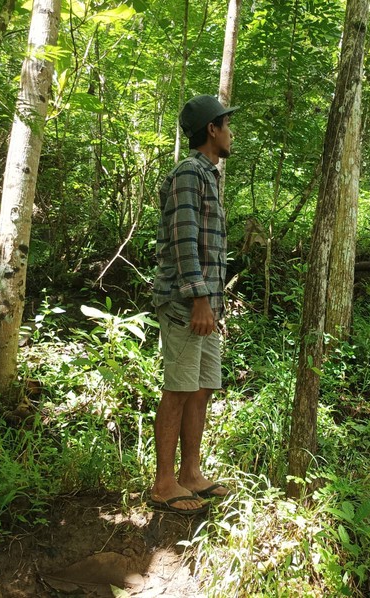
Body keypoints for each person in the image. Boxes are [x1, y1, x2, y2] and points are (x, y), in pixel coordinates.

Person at [149, 95, 238, 514]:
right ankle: (164, 483)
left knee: (201, 388)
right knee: (179, 389)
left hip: (207, 305)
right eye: (227, 125)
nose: (231, 133)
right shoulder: (189, 173)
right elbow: (185, 241)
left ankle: (190, 474)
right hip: (187, 302)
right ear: (211, 130)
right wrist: (200, 298)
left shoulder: (209, 175)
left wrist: (213, 304)